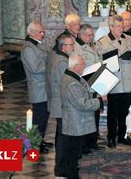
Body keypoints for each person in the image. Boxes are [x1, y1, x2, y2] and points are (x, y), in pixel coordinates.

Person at [58, 55, 106, 179]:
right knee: (73, 153)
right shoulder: (72, 83)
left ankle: (71, 173)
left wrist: (96, 94)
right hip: (75, 123)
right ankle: (72, 175)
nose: (85, 66)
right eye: (83, 64)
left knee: (74, 152)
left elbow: (84, 92)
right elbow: (82, 104)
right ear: (75, 67)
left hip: (75, 122)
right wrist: (100, 101)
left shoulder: (73, 77)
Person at [96, 15, 131, 148]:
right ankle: (111, 137)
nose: (122, 29)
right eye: (119, 27)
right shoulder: (103, 42)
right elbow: (100, 62)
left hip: (127, 80)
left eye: (122, 26)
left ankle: (122, 135)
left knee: (124, 111)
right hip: (113, 81)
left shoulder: (129, 39)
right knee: (112, 111)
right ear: (111, 27)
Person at [20, 21, 52, 154]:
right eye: (40, 32)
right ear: (31, 32)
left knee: (44, 116)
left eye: (43, 32)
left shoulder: (37, 44)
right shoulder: (28, 48)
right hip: (38, 88)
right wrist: (51, 67)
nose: (43, 34)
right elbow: (35, 68)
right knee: (39, 117)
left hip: (45, 87)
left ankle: (39, 139)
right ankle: (33, 144)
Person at [46, 34, 75, 176]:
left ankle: (61, 167)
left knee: (61, 135)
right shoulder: (62, 61)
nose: (73, 47)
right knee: (64, 138)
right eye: (71, 45)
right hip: (63, 104)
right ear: (63, 47)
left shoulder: (55, 55)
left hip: (58, 102)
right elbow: (66, 84)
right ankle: (62, 168)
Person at [72, 24, 104, 151]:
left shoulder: (93, 45)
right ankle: (84, 144)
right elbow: (77, 67)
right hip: (85, 84)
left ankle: (92, 141)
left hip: (96, 83)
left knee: (95, 113)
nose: (92, 37)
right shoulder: (76, 48)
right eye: (89, 35)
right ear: (81, 35)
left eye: (92, 35)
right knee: (86, 115)